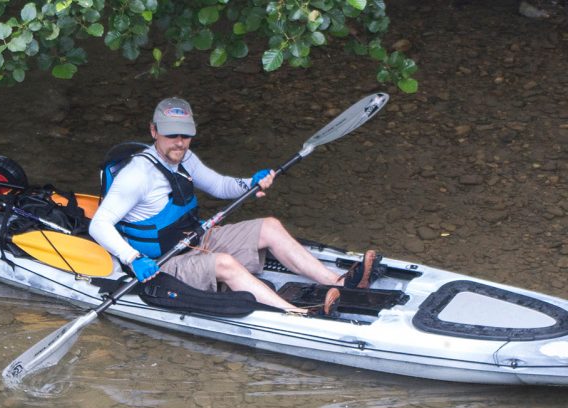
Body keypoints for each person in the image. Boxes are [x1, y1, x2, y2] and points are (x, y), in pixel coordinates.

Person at [89, 97, 379, 314]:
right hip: (163, 263)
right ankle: (296, 313)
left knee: (270, 226)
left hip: (194, 240)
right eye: (171, 135)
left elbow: (218, 186)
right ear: (153, 131)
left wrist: (249, 183)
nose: (179, 143)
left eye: (185, 135)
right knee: (226, 264)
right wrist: (133, 259)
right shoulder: (137, 175)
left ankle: (338, 282)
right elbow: (99, 224)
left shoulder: (184, 158)